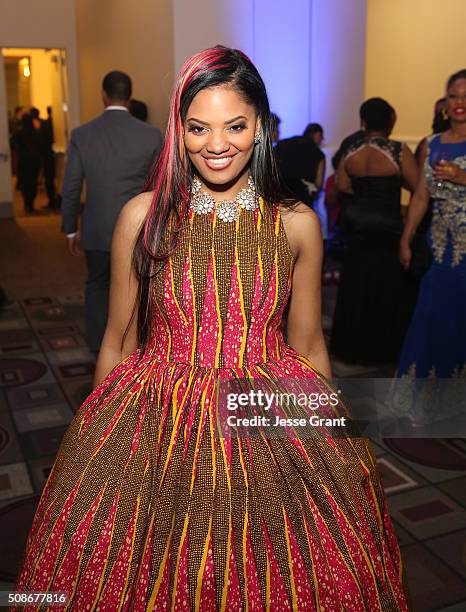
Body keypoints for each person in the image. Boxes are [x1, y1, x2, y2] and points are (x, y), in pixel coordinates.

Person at [14, 47, 409, 610]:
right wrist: (98, 440)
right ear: (178, 128)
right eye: (198, 127)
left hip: (267, 411)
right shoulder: (142, 216)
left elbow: (309, 342)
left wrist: (331, 438)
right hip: (156, 409)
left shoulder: (296, 223)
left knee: (271, 569)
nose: (217, 144)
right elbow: (118, 341)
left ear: (261, 126)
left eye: (236, 126)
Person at [61, 70, 163, 355]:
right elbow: (159, 186)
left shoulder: (83, 134)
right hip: (139, 229)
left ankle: (99, 347)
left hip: (97, 228)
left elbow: (71, 186)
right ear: (130, 98)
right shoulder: (151, 135)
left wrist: (70, 227)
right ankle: (137, 347)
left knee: (97, 287)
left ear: (103, 95)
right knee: (138, 289)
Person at [330, 98, 419, 365]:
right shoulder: (397, 150)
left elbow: (342, 186)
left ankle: (352, 347)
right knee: (385, 287)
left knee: (356, 284)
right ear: (391, 121)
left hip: (358, 225)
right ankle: (382, 349)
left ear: (363, 121)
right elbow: (419, 188)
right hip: (386, 226)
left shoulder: (352, 149)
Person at [398, 69, 466, 386]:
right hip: (438, 248)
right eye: (453, 96)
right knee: (430, 318)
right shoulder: (433, 144)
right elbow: (421, 196)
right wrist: (407, 237)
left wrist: (462, 176)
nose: (459, 102)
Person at [274, 123, 325, 206]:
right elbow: (318, 182)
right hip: (303, 198)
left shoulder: (284, 143)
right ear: (317, 134)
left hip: (281, 195)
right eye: (321, 137)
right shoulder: (318, 153)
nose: (321, 140)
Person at [12, 113, 41, 214]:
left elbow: (13, 144)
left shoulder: (18, 133)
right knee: (33, 182)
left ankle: (27, 204)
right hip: (34, 161)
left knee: (25, 183)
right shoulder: (35, 132)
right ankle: (31, 205)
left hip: (23, 161)